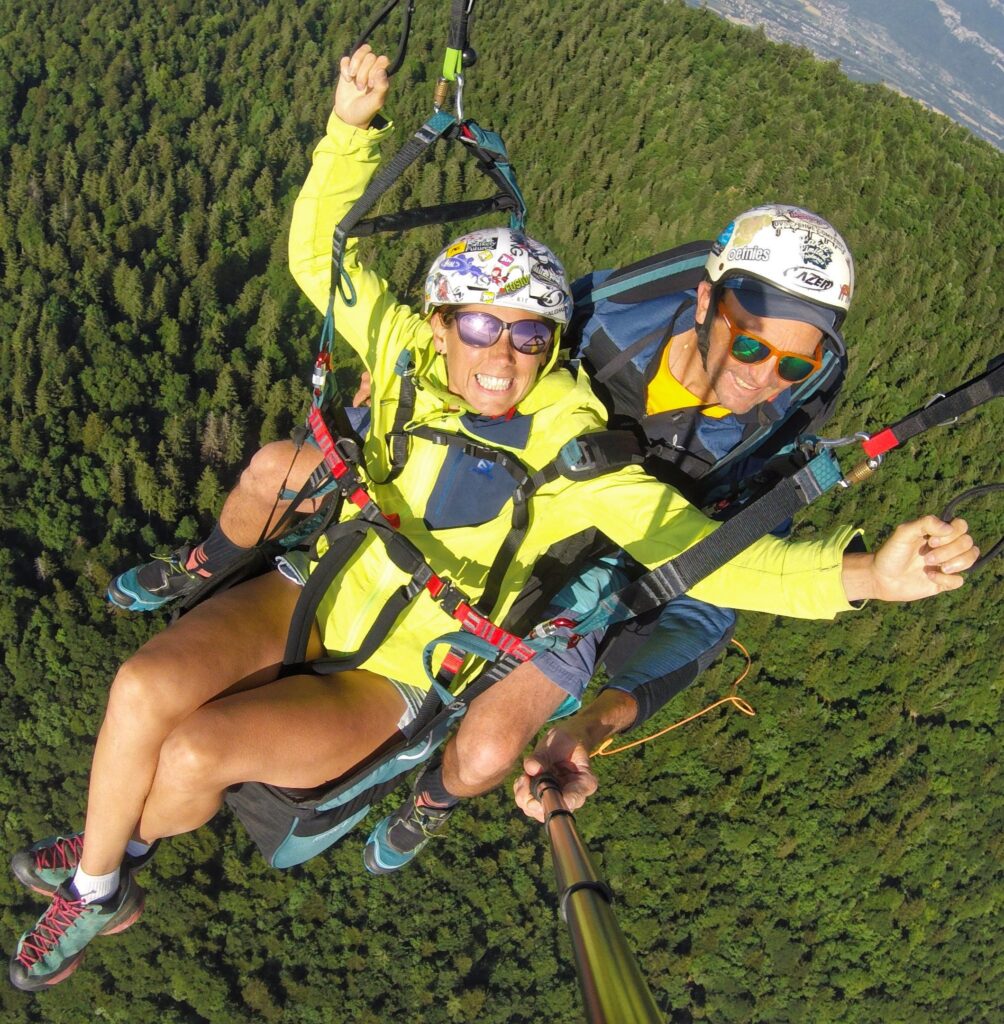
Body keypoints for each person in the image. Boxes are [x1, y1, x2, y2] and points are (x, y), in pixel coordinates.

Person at [8, 47, 976, 993]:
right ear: (439, 324)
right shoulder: (403, 353)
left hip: (413, 663)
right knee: (141, 690)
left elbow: (705, 561)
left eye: (524, 335)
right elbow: (317, 255)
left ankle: (130, 859)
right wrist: (350, 130)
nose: (499, 352)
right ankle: (104, 879)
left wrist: (860, 577)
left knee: (199, 753)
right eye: (477, 324)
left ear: (551, 346)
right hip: (331, 584)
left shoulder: (573, 447)